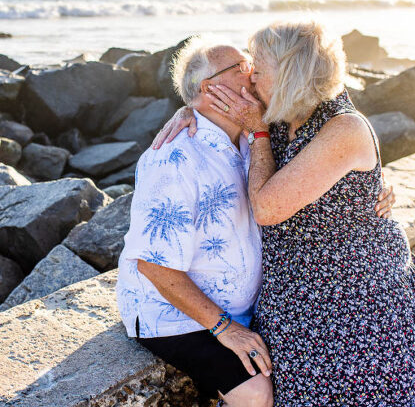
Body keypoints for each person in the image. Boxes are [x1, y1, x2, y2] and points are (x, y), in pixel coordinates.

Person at [154, 21, 415, 406]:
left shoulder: (342, 126)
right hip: (295, 302)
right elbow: (215, 105)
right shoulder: (280, 114)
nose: (251, 77)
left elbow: (267, 208)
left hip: (357, 300)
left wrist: (257, 132)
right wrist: (188, 110)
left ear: (290, 72)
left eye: (258, 68)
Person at [115, 39, 396, 406]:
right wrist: (224, 328)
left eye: (253, 66)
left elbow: (335, 145)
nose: (254, 74)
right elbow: (153, 264)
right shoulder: (174, 160)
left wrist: (376, 182)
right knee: (256, 392)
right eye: (242, 68)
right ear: (210, 89)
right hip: (177, 317)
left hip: (250, 309)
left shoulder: (258, 136)